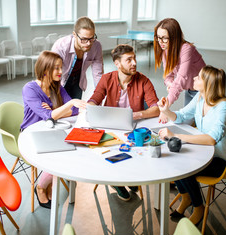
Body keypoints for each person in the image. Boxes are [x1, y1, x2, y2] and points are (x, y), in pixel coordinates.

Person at [157, 65, 226, 225]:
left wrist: (176, 136)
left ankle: (198, 207)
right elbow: (181, 116)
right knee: (175, 160)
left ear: (208, 84)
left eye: (198, 77)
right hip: (205, 153)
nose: (194, 78)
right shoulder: (200, 98)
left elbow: (211, 139)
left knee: (186, 169)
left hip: (224, 160)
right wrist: (166, 111)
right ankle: (187, 197)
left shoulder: (224, 106)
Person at [88, 44, 160, 201]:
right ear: (117, 63)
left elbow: (156, 109)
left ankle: (128, 176)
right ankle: (117, 181)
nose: (134, 62)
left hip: (133, 128)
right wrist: (91, 108)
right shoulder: (107, 78)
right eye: (129, 60)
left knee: (137, 148)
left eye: (134, 58)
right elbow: (94, 99)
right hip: (110, 127)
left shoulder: (143, 81)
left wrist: (136, 115)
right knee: (106, 148)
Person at [20, 51, 87, 209]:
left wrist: (53, 109)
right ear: (44, 70)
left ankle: (46, 182)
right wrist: (63, 108)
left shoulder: (57, 87)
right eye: (56, 68)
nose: (60, 72)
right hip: (31, 134)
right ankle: (41, 187)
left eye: (61, 67)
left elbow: (75, 111)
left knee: (72, 149)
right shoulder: (29, 89)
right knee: (60, 156)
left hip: (51, 131)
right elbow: (51, 115)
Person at [154, 18, 206, 123]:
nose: (160, 42)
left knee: (195, 122)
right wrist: (170, 83)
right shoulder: (166, 50)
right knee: (187, 122)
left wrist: (165, 108)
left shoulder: (187, 49)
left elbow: (181, 79)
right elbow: (168, 77)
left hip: (204, 90)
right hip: (191, 90)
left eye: (164, 38)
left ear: (174, 37)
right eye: (158, 37)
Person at [51, 16, 104, 99]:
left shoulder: (96, 46)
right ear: (74, 35)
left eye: (91, 38)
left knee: (76, 109)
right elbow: (53, 73)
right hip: (60, 80)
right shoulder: (61, 46)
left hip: (78, 80)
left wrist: (99, 96)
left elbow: (98, 74)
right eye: (84, 39)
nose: (88, 44)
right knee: (60, 108)